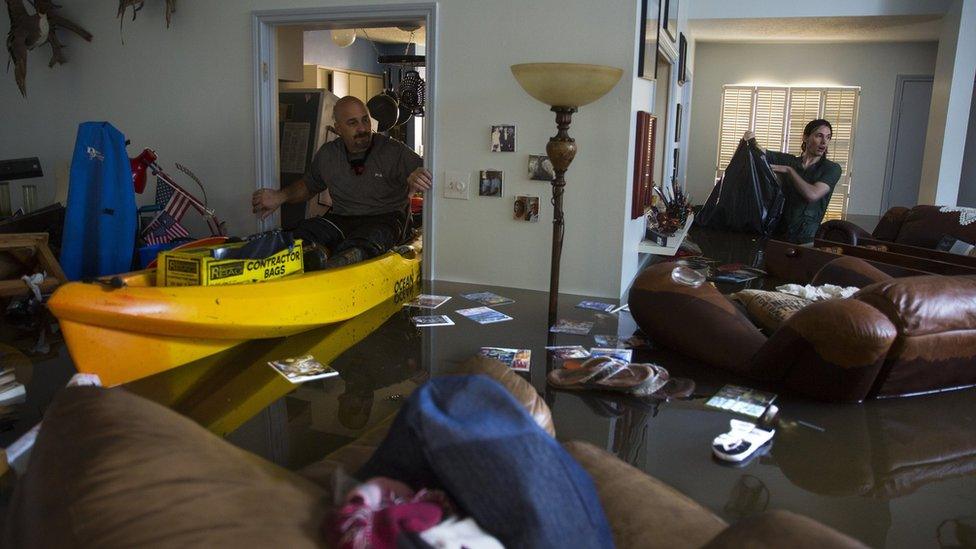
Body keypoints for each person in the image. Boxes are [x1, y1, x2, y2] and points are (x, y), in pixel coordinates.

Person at [252, 96, 432, 265]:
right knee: (299, 236)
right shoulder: (328, 154)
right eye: (352, 123)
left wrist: (419, 176)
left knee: (364, 244)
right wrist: (280, 197)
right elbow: (309, 185)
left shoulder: (394, 151)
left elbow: (427, 172)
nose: (362, 128)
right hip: (341, 219)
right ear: (338, 129)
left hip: (386, 220)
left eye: (365, 120)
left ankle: (334, 262)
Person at [743, 119, 841, 242]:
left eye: (828, 137)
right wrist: (750, 139)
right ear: (805, 138)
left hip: (806, 238)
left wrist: (789, 171)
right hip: (778, 233)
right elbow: (760, 152)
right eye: (819, 136)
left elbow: (812, 195)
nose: (824, 142)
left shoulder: (832, 168)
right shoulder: (789, 161)